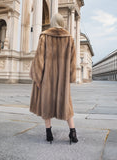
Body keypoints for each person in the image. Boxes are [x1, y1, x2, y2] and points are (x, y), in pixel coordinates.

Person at [29, 13, 78, 145]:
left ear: (52, 22)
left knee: (46, 105)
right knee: (66, 105)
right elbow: (73, 61)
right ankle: (73, 132)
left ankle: (49, 134)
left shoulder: (45, 36)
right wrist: (71, 77)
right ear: (62, 22)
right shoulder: (69, 38)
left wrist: (38, 78)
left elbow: (39, 58)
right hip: (62, 80)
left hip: (47, 78)